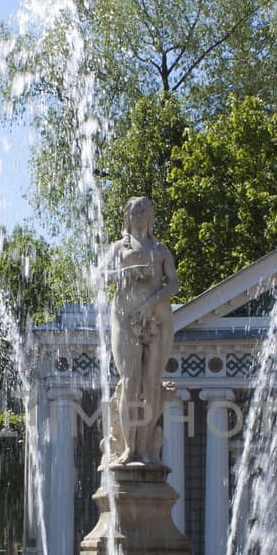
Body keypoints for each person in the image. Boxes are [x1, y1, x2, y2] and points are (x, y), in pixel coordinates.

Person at [99, 196, 178, 465]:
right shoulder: (118, 248)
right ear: (127, 216)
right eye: (135, 210)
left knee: (152, 383)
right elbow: (102, 276)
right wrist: (127, 272)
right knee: (130, 381)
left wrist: (153, 301)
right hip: (124, 316)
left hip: (157, 318)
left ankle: (145, 449)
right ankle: (129, 448)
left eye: (145, 209)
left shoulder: (161, 250)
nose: (140, 213)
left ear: (151, 216)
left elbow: (173, 284)